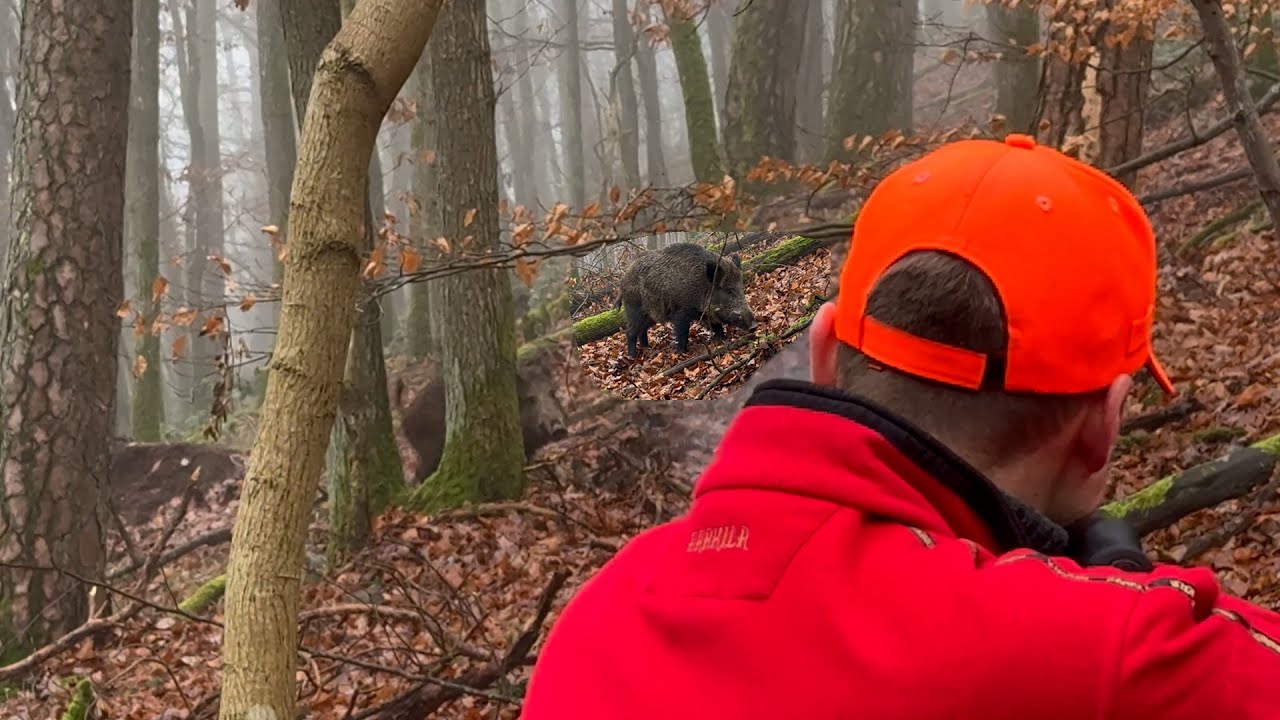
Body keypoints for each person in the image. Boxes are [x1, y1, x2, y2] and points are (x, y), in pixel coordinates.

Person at [521, 134, 1280, 719]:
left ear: (822, 355)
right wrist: (1123, 599)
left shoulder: (602, 613)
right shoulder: (1123, 657)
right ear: (1103, 427)